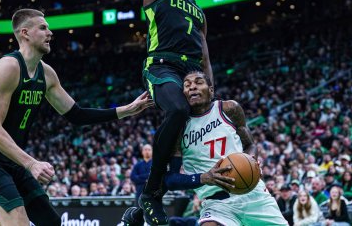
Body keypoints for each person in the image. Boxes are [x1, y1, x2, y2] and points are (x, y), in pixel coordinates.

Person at [0, 9, 153, 226]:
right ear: (25, 33)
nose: (50, 33)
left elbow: (76, 114)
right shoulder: (8, 67)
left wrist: (126, 110)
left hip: (13, 161)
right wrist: (32, 163)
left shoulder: (46, 74)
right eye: (43, 28)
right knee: (17, 222)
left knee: (51, 222)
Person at [123, 71, 287, 225]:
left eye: (198, 82)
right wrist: (204, 177)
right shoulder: (178, 129)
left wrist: (251, 159)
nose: (192, 86)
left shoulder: (229, 109)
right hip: (217, 204)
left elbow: (250, 145)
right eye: (187, 85)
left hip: (254, 195)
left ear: (210, 89)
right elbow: (170, 179)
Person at [137, 0, 213, 224]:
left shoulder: (198, 10)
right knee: (179, 109)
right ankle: (151, 190)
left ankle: (139, 210)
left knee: (189, 145)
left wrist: (210, 87)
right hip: (162, 66)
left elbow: (204, 53)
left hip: (192, 72)